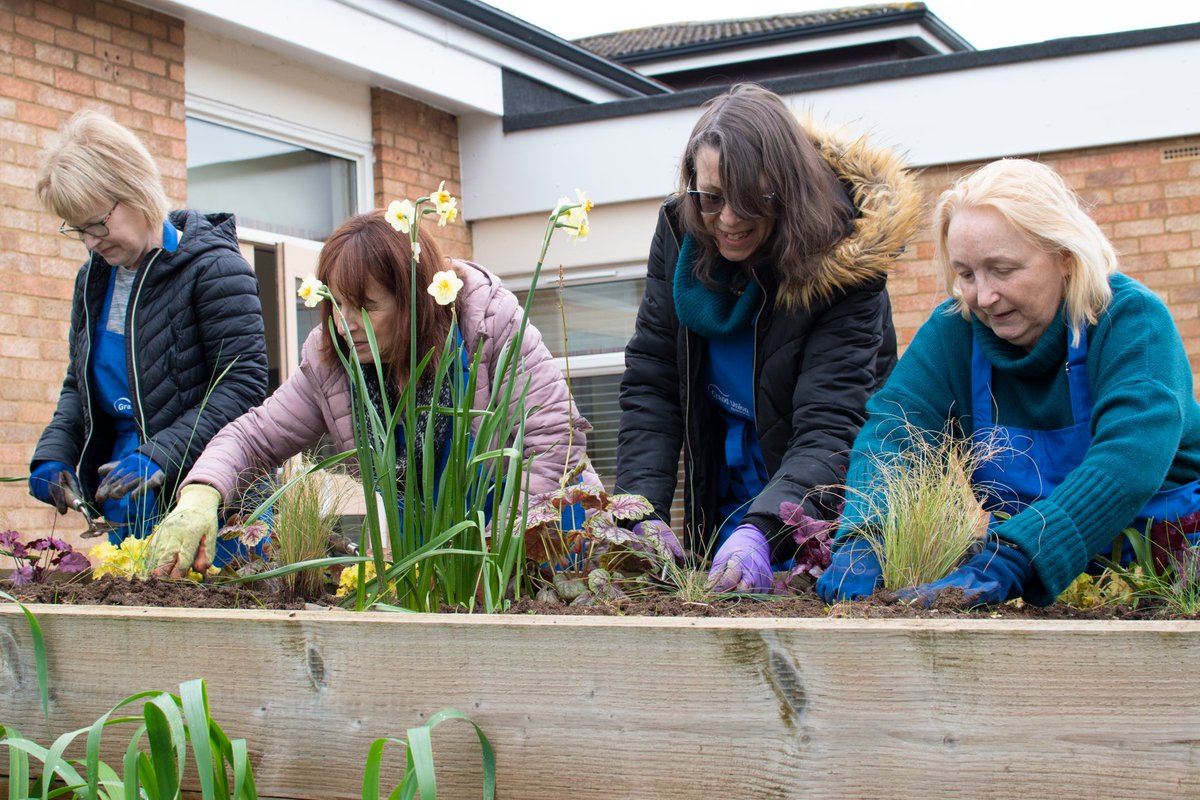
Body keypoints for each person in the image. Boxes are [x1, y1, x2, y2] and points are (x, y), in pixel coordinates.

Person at [817, 158, 1200, 607]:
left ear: (1064, 256)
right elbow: (893, 432)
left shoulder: (1131, 323)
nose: (983, 296)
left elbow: (1126, 461)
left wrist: (1014, 556)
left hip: (1161, 574)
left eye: (1002, 269)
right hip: (1026, 587)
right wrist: (868, 532)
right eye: (965, 274)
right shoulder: (954, 332)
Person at [151, 210, 593, 576]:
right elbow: (254, 436)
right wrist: (200, 496)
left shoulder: (487, 323)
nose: (346, 324)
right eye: (338, 305)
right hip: (433, 563)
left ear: (414, 299)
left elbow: (553, 441)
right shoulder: (332, 363)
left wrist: (499, 554)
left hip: (542, 543)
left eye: (366, 306)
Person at [615, 83, 922, 592]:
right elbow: (654, 384)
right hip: (725, 487)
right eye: (711, 198)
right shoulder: (678, 232)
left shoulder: (843, 262)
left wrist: (761, 531)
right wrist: (639, 512)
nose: (729, 220)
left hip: (821, 506)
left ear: (787, 187)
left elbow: (831, 427)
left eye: (750, 200)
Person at [27, 110, 268, 555]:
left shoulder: (214, 269)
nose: (90, 242)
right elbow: (77, 385)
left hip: (209, 498)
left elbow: (243, 386)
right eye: (78, 230)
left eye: (96, 223)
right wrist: (55, 452)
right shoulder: (92, 281)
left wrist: (161, 453)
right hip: (126, 497)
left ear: (135, 190)